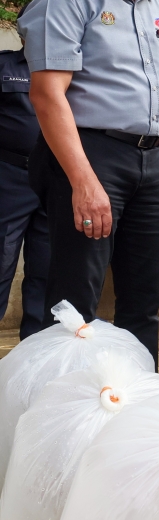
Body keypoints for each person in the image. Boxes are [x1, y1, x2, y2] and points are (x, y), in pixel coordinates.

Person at [20, 0, 159, 365]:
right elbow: (48, 95)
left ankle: (135, 410)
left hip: (151, 163)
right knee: (76, 304)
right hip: (92, 155)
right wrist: (82, 180)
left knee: (143, 301)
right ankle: (63, 416)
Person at [0, 34, 49, 340]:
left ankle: (35, 347)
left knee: (45, 269)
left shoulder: (74, 71)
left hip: (53, 180)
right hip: (8, 177)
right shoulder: (4, 64)